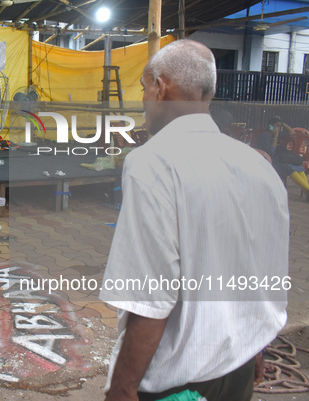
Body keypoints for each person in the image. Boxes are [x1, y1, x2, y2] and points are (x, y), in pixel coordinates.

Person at [100, 40, 289, 401]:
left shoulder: (152, 163)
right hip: (238, 371)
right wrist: (254, 347)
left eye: (143, 89)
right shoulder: (258, 165)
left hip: (181, 385)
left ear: (160, 86)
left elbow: (151, 297)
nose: (143, 101)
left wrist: (122, 387)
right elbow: (262, 272)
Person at [254, 116, 309, 191]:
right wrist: (275, 137)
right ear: (270, 126)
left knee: (299, 167)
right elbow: (271, 151)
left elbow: (292, 133)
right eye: (276, 126)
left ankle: (307, 190)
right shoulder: (265, 136)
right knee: (289, 167)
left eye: (279, 127)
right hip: (268, 159)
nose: (278, 128)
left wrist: (284, 124)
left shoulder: (277, 134)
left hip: (278, 158)